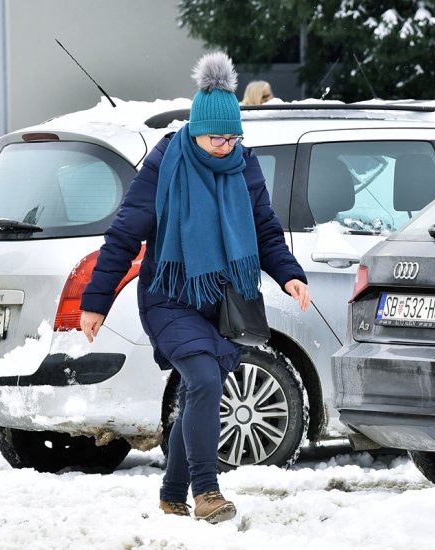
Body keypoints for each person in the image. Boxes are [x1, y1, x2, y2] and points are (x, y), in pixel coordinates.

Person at [79, 52, 310, 523]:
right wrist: (96, 301)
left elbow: (264, 228)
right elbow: (124, 234)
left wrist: (289, 273)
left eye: (233, 137)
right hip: (170, 294)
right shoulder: (167, 162)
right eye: (216, 138)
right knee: (204, 380)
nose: (225, 147)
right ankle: (207, 492)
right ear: (195, 130)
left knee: (198, 392)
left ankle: (170, 492)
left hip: (224, 299)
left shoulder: (243, 165)